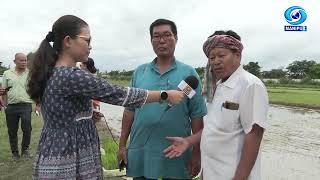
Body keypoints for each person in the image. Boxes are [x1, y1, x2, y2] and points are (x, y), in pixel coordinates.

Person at [27, 15, 184, 179]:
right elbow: (118, 94)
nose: (90, 46)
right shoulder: (71, 75)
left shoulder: (51, 71)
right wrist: (164, 95)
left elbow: (61, 111)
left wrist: (85, 117)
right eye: (87, 40)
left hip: (53, 150)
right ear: (68, 41)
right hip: (70, 155)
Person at [164, 30, 269, 180]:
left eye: (221, 55)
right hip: (211, 172)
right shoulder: (218, 86)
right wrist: (189, 141)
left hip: (231, 174)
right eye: (212, 57)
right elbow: (213, 128)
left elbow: (254, 134)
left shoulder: (250, 85)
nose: (215, 61)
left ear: (237, 55)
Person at [117, 19, 207, 180]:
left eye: (167, 35)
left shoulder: (189, 74)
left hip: (176, 152)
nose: (162, 40)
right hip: (141, 152)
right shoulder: (140, 72)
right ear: (151, 41)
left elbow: (197, 116)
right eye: (156, 36)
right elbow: (129, 112)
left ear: (176, 38)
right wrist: (122, 145)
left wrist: (196, 153)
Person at [2, 53, 33, 160]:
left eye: (25, 60)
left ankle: (25, 151)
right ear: (15, 61)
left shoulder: (30, 73)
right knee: (12, 131)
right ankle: (15, 154)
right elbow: (4, 91)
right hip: (11, 106)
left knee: (27, 128)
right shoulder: (7, 73)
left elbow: (34, 88)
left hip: (26, 104)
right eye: (21, 60)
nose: (24, 62)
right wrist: (5, 105)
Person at [80, 57, 102, 122]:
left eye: (82, 64)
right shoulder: (92, 76)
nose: (80, 66)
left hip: (92, 106)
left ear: (85, 65)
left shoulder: (89, 78)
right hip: (93, 106)